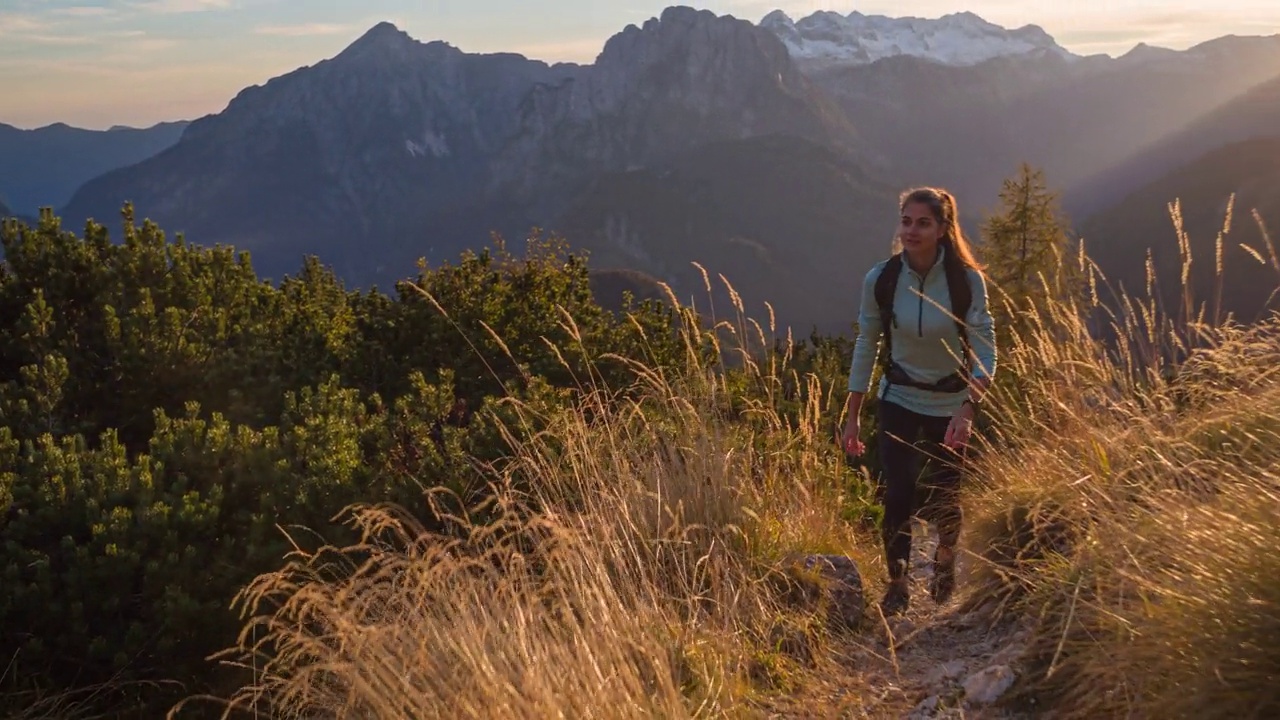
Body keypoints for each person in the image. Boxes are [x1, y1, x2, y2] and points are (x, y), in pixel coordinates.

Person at [841, 187, 997, 617]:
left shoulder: (966, 282)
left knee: (948, 493)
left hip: (950, 401)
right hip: (899, 396)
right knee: (898, 492)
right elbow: (867, 344)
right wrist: (852, 415)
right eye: (906, 221)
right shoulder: (883, 279)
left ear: (943, 229)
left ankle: (945, 560)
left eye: (923, 222)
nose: (911, 230)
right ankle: (898, 582)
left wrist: (968, 408)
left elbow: (986, 349)